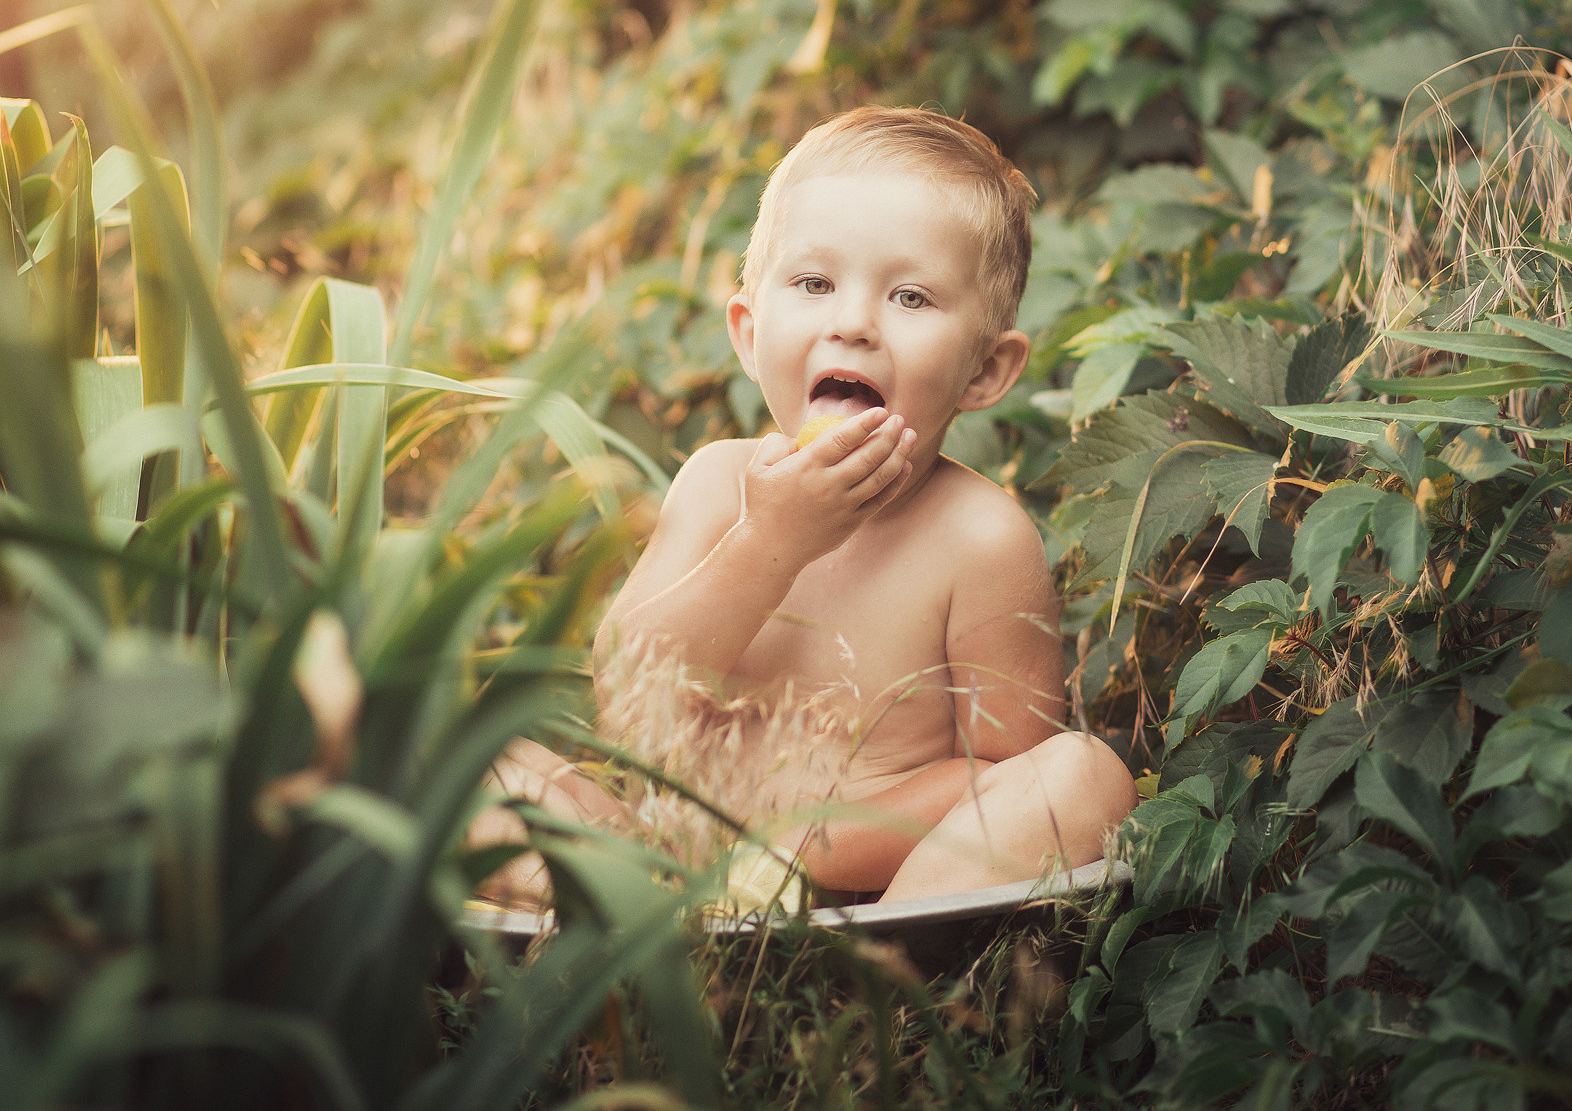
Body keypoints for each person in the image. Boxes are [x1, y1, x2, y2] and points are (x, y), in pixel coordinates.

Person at [471, 107, 1136, 906]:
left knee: (1081, 776)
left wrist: (794, 852)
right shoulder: (718, 485)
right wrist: (769, 541)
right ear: (750, 335)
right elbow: (628, 694)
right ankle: (640, 915)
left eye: (912, 297)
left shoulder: (981, 538)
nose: (852, 323)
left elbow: (1003, 774)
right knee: (465, 764)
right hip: (669, 857)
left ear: (986, 370)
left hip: (867, 884)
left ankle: (874, 964)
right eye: (814, 283)